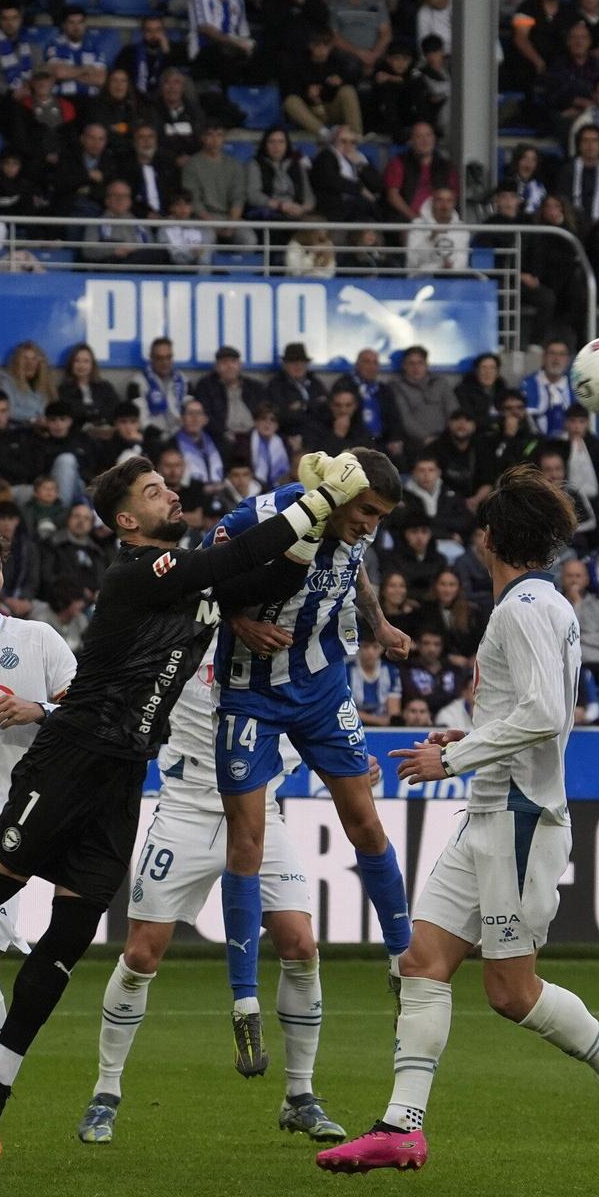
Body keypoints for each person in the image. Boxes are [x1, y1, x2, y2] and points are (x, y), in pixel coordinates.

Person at [0, 451, 374, 1161]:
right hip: (71, 754)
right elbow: (235, 557)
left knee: (71, 934)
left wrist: (317, 525)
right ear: (126, 521)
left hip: (123, 775)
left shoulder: (195, 582)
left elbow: (275, 574)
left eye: (167, 486)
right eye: (154, 490)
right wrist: (317, 499)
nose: (170, 495)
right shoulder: (137, 571)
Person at [317, 466, 599, 1175]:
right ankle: (401, 1125)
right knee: (421, 960)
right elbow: (527, 711)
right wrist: (468, 740)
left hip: (521, 820)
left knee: (511, 992)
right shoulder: (541, 602)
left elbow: (545, 714)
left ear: (490, 539)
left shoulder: (524, 608)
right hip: (490, 812)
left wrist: (456, 755)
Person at [76, 662, 341, 1146]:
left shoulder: (289, 650)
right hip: (186, 811)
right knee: (141, 954)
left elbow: (311, 719)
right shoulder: (187, 637)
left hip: (261, 814)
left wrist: (346, 762)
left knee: (301, 945)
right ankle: (105, 1093)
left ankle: (300, 1096)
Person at [213, 449, 415, 1070]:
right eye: (366, 511)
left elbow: (356, 574)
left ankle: (405, 963)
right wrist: (239, 621)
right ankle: (244, 1002)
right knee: (247, 841)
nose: (370, 525)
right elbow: (201, 575)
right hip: (251, 690)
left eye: (380, 517)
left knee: (366, 823)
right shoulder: (265, 515)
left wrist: (379, 624)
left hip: (323, 686)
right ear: (339, 490)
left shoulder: (357, 532)